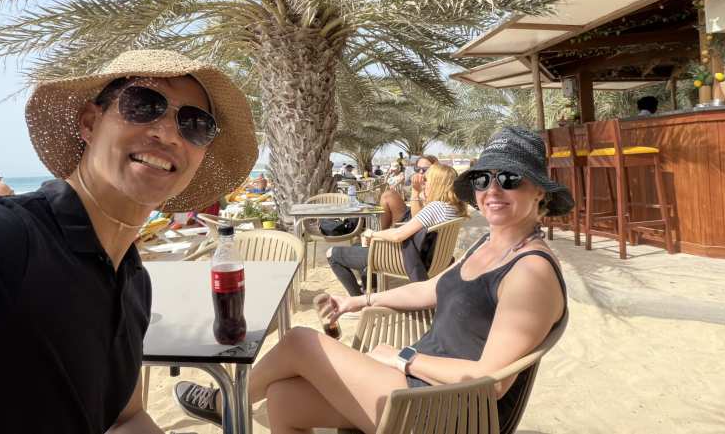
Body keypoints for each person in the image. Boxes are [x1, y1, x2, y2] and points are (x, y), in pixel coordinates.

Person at [174, 126, 572, 433]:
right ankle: (230, 402)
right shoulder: (490, 243)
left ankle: (224, 403)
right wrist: (358, 302)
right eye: (484, 179)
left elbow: (490, 382)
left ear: (540, 191)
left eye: (510, 179)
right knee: (282, 398)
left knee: (299, 341)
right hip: (422, 389)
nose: (492, 190)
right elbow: (433, 288)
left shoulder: (530, 271)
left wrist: (405, 357)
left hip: (452, 411)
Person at [0, 49, 258, 434]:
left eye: (195, 124)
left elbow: (125, 419)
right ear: (89, 122)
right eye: (144, 105)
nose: (167, 132)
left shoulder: (134, 283)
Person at [326, 163, 467, 296]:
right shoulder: (453, 208)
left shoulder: (436, 207)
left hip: (400, 259)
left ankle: (357, 301)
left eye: (427, 180)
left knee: (333, 254)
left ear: (437, 184)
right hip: (429, 260)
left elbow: (398, 235)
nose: (424, 184)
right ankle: (369, 286)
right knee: (358, 247)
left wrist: (372, 234)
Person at [378, 155, 438, 229]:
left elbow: (417, 220)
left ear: (436, 170)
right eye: (417, 168)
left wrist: (415, 191)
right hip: (412, 214)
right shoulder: (423, 183)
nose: (420, 171)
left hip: (417, 224)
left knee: (388, 196)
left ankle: (382, 236)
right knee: (389, 195)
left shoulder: (436, 187)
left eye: (425, 169)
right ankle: (382, 234)